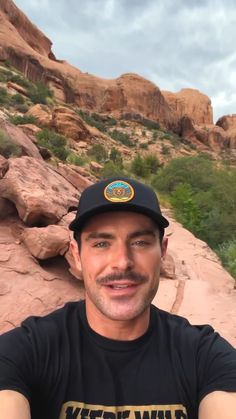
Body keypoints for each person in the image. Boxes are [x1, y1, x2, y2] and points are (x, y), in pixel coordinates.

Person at [0, 176, 236, 419]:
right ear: (77, 255)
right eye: (102, 243)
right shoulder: (29, 350)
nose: (122, 262)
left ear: (163, 251)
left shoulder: (205, 356)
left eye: (140, 242)